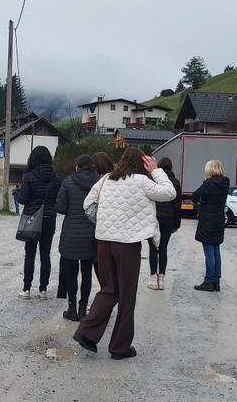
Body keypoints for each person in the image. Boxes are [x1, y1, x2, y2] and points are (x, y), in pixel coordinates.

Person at [72, 148, 176, 360]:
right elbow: (169, 193)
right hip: (127, 245)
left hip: (103, 242)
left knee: (109, 290)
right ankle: (119, 348)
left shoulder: (106, 180)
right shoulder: (141, 181)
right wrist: (156, 171)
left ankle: (86, 332)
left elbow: (87, 204)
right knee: (126, 297)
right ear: (141, 164)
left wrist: (103, 223)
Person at [55, 154, 101, 321]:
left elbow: (59, 207)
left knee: (71, 273)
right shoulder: (100, 182)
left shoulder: (68, 181)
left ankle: (71, 308)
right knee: (87, 273)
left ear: (77, 166)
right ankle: (83, 310)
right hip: (91, 235)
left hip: (71, 235)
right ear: (92, 166)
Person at [17, 146, 62, 300]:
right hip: (50, 219)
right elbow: (58, 200)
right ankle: (43, 290)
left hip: (32, 219)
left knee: (30, 254)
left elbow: (22, 199)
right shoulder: (56, 178)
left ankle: (26, 289)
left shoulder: (29, 177)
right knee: (45, 255)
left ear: (33, 159)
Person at [190, 159, 230, 292]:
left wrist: (201, 203)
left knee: (209, 252)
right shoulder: (225, 182)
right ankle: (216, 281)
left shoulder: (208, 184)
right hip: (219, 220)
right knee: (216, 250)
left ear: (210, 170)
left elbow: (194, 196)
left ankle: (208, 281)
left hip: (207, 220)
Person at [148, 157, 182, 290]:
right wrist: (176, 224)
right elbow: (177, 205)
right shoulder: (175, 182)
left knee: (153, 249)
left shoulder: (152, 180)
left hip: (154, 219)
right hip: (168, 219)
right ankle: (161, 280)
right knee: (163, 248)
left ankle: (153, 280)